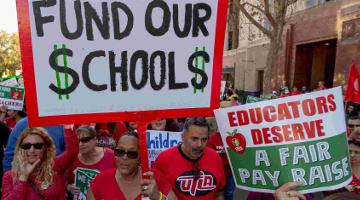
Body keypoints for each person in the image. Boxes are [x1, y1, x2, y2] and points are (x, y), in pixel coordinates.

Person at [86, 131, 177, 200]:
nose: (125, 157)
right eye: (120, 152)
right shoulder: (101, 180)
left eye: (132, 154)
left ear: (140, 157)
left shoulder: (153, 177)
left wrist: (158, 197)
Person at [154, 117, 226, 199]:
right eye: (194, 139)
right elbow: (158, 194)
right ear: (182, 137)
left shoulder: (215, 157)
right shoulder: (164, 159)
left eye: (204, 139)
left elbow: (220, 193)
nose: (200, 144)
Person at [1, 126, 78, 199]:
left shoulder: (55, 165)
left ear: (45, 148)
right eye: (26, 146)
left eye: (38, 146)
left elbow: (72, 152)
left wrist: (68, 126)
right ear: (20, 148)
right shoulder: (9, 176)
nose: (32, 150)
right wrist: (23, 177)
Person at [66, 125, 116, 199]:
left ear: (95, 140)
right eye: (77, 141)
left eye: (85, 140)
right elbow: (66, 184)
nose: (80, 144)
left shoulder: (110, 155)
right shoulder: (72, 159)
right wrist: (70, 188)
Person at [208, 131, 234, 200]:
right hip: (218, 174)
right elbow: (209, 157)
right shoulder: (213, 139)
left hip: (230, 172)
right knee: (217, 193)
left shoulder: (233, 136)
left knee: (229, 193)